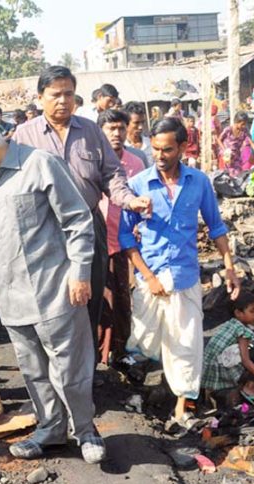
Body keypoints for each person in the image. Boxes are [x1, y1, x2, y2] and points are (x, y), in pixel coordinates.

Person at [0, 108, 105, 463]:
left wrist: (80, 272)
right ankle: (51, 429)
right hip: (10, 296)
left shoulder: (40, 165)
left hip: (54, 291)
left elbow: (77, 221)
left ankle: (86, 430)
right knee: (34, 372)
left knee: (70, 369)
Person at [13, 65, 147, 359]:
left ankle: (84, 371)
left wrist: (129, 200)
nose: (63, 100)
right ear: (40, 98)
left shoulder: (90, 132)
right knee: (51, 300)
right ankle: (57, 367)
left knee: (89, 297)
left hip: (88, 227)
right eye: (55, 95)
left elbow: (112, 175)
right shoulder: (23, 137)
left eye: (69, 94)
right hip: (44, 232)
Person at [119, 117, 241, 430]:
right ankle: (138, 403)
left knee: (186, 346)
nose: (160, 156)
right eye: (155, 149)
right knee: (142, 343)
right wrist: (148, 277)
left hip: (186, 277)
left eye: (167, 149)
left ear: (183, 147)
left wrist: (229, 267)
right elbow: (125, 238)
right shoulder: (138, 185)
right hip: (151, 279)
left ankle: (182, 409)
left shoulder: (199, 182)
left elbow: (216, 226)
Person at [98, 109, 147, 361]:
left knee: (122, 297)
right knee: (100, 298)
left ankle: (120, 350)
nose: (116, 134)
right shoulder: (92, 160)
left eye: (120, 128)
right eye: (111, 129)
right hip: (96, 238)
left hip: (125, 238)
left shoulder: (137, 163)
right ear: (101, 132)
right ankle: (99, 353)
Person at [202, 292, 254, 409]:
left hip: (209, 374)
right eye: (252, 311)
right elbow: (246, 361)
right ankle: (249, 386)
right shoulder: (242, 331)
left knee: (253, 349)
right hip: (222, 374)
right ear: (238, 313)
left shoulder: (229, 324)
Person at [219, 111, 254, 177]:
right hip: (226, 157)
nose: (244, 126)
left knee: (237, 175)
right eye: (242, 124)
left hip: (236, 156)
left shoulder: (244, 131)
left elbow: (251, 143)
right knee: (226, 176)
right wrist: (224, 150)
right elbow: (219, 139)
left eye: (245, 124)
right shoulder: (228, 130)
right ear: (236, 122)